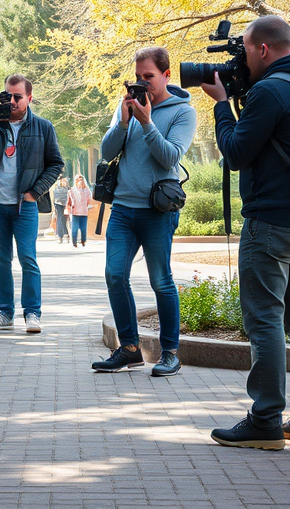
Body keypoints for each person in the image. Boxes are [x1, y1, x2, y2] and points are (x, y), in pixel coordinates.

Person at [201, 15, 290, 451]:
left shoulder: (270, 91)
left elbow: (236, 152)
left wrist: (222, 104)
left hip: (270, 225)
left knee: (265, 322)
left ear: (261, 50)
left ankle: (265, 420)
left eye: (247, 54)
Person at [91, 48, 196, 376]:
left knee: (161, 280)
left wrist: (147, 122)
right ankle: (130, 348)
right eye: (137, 78)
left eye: (148, 77)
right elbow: (108, 153)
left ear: (166, 75)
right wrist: (123, 123)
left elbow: (169, 158)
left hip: (157, 211)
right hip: (123, 208)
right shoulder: (126, 107)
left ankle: (169, 352)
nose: (141, 84)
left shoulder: (183, 113)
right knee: (114, 275)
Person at [0, 74, 64, 334]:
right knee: (2, 260)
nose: (12, 101)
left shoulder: (43, 127)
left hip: (24, 205)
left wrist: (34, 192)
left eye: (17, 96)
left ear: (29, 97)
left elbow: (56, 164)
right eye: (8, 95)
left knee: (28, 258)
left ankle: (32, 313)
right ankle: (5, 312)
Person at [66, 174, 94, 247]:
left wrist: (85, 206)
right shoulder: (71, 190)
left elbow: (88, 201)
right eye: (78, 180)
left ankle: (83, 241)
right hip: (74, 212)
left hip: (84, 212)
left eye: (81, 180)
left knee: (83, 228)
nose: (80, 181)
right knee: (74, 228)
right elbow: (69, 201)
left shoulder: (87, 191)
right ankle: (74, 242)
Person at [53, 177, 70, 243]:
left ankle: (64, 234)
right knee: (60, 219)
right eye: (63, 181)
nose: (65, 183)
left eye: (66, 181)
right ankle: (61, 235)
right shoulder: (57, 189)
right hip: (58, 205)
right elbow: (55, 198)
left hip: (66, 205)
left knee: (64, 220)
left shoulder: (68, 189)